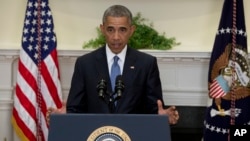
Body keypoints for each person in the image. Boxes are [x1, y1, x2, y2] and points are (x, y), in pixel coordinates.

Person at [47, 4, 179, 125]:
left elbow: (154, 107)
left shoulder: (146, 63)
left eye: (122, 30)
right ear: (102, 29)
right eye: (110, 30)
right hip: (95, 134)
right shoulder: (85, 63)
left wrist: (161, 116)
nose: (116, 37)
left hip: (133, 134)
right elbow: (76, 108)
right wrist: (64, 116)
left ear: (132, 30)